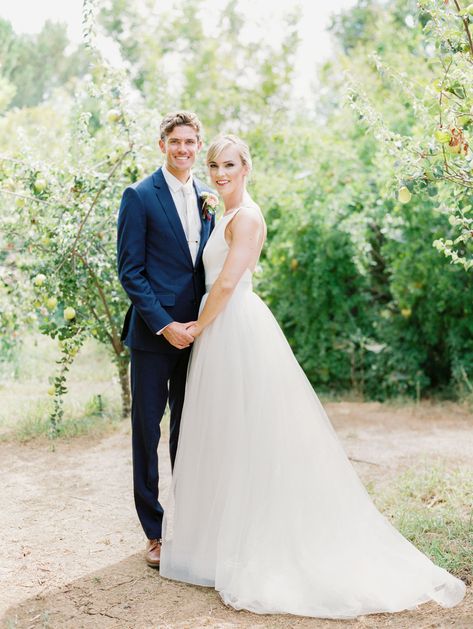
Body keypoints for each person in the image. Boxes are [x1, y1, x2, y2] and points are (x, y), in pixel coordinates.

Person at [159, 134, 466, 619]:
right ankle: (214, 545)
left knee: (251, 435)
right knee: (222, 435)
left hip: (233, 326)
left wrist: (198, 327)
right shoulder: (219, 214)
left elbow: (227, 281)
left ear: (247, 169)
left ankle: (257, 544)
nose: (220, 173)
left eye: (230, 165)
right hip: (220, 331)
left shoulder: (250, 216)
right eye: (215, 164)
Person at [117, 111, 215, 568]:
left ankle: (190, 526)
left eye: (190, 142)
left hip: (199, 335)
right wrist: (165, 325)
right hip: (155, 338)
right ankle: (154, 533)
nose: (183, 149)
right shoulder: (139, 196)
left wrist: (199, 325)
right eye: (175, 141)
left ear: (199, 145)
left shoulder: (206, 197)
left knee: (189, 432)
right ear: (162, 145)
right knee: (146, 433)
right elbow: (131, 272)